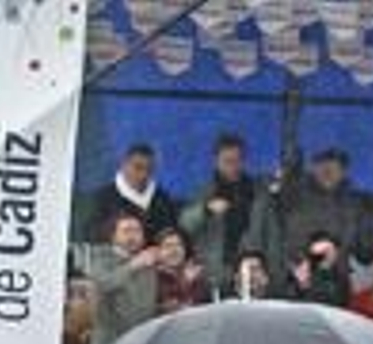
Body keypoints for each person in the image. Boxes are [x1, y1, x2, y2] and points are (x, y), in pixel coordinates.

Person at [179, 132, 282, 294]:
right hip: (214, 276)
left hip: (253, 276)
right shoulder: (204, 192)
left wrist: (273, 274)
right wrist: (205, 210)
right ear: (216, 161)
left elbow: (273, 236)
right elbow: (184, 225)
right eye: (227, 161)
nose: (233, 166)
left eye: (237, 160)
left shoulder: (259, 193)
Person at [86, 214, 160, 344]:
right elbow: (104, 284)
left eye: (137, 231)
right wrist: (133, 266)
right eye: (126, 231)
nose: (133, 236)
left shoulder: (148, 262)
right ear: (113, 236)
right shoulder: (100, 257)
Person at [278, 147, 361, 266]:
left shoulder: (350, 201)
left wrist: (336, 252)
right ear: (313, 168)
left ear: (343, 173)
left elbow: (349, 237)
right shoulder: (296, 191)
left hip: (333, 267)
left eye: (335, 169)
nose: (328, 173)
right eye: (323, 168)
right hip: (296, 263)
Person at [83, 143, 178, 244]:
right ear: (123, 165)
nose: (143, 175)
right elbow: (91, 234)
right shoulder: (102, 197)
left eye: (149, 169)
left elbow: (172, 233)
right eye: (138, 167)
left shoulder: (162, 199)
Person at [153, 227, 208, 314]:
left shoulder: (196, 274)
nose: (174, 250)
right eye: (168, 246)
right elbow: (172, 310)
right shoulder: (154, 278)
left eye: (178, 245)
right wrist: (186, 283)